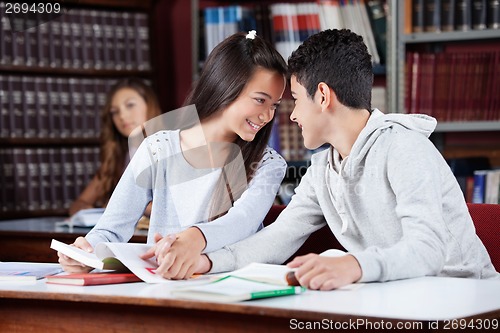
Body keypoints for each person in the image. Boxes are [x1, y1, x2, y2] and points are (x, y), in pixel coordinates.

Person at [195, 29, 500, 289]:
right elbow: (277, 238)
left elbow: (428, 250)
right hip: (398, 297)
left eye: (297, 101)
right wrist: (207, 262)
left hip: (463, 297)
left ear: (324, 96)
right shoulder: (322, 172)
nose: (294, 116)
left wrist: (353, 265)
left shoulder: (404, 149)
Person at [58, 31, 288, 280]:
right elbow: (111, 228)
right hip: (165, 288)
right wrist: (86, 252)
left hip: (236, 287)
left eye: (274, 105)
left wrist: (193, 238)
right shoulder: (157, 149)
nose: (267, 116)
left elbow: (242, 221)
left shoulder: (268, 164)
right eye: (260, 100)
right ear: (226, 86)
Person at [68, 77, 162, 216]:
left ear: (150, 105)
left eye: (130, 105)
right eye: (114, 112)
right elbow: (77, 205)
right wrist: (89, 210)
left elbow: (170, 210)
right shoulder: (118, 158)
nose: (122, 116)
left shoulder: (170, 150)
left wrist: (121, 205)